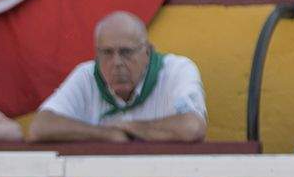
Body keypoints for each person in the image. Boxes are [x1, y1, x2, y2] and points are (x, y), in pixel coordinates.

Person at [29, 12, 209, 143]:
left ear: (147, 52)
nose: (117, 62)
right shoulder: (86, 75)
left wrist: (126, 127)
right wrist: (107, 134)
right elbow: (40, 127)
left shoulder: (177, 70)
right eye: (107, 53)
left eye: (126, 52)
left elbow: (192, 127)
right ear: (97, 54)